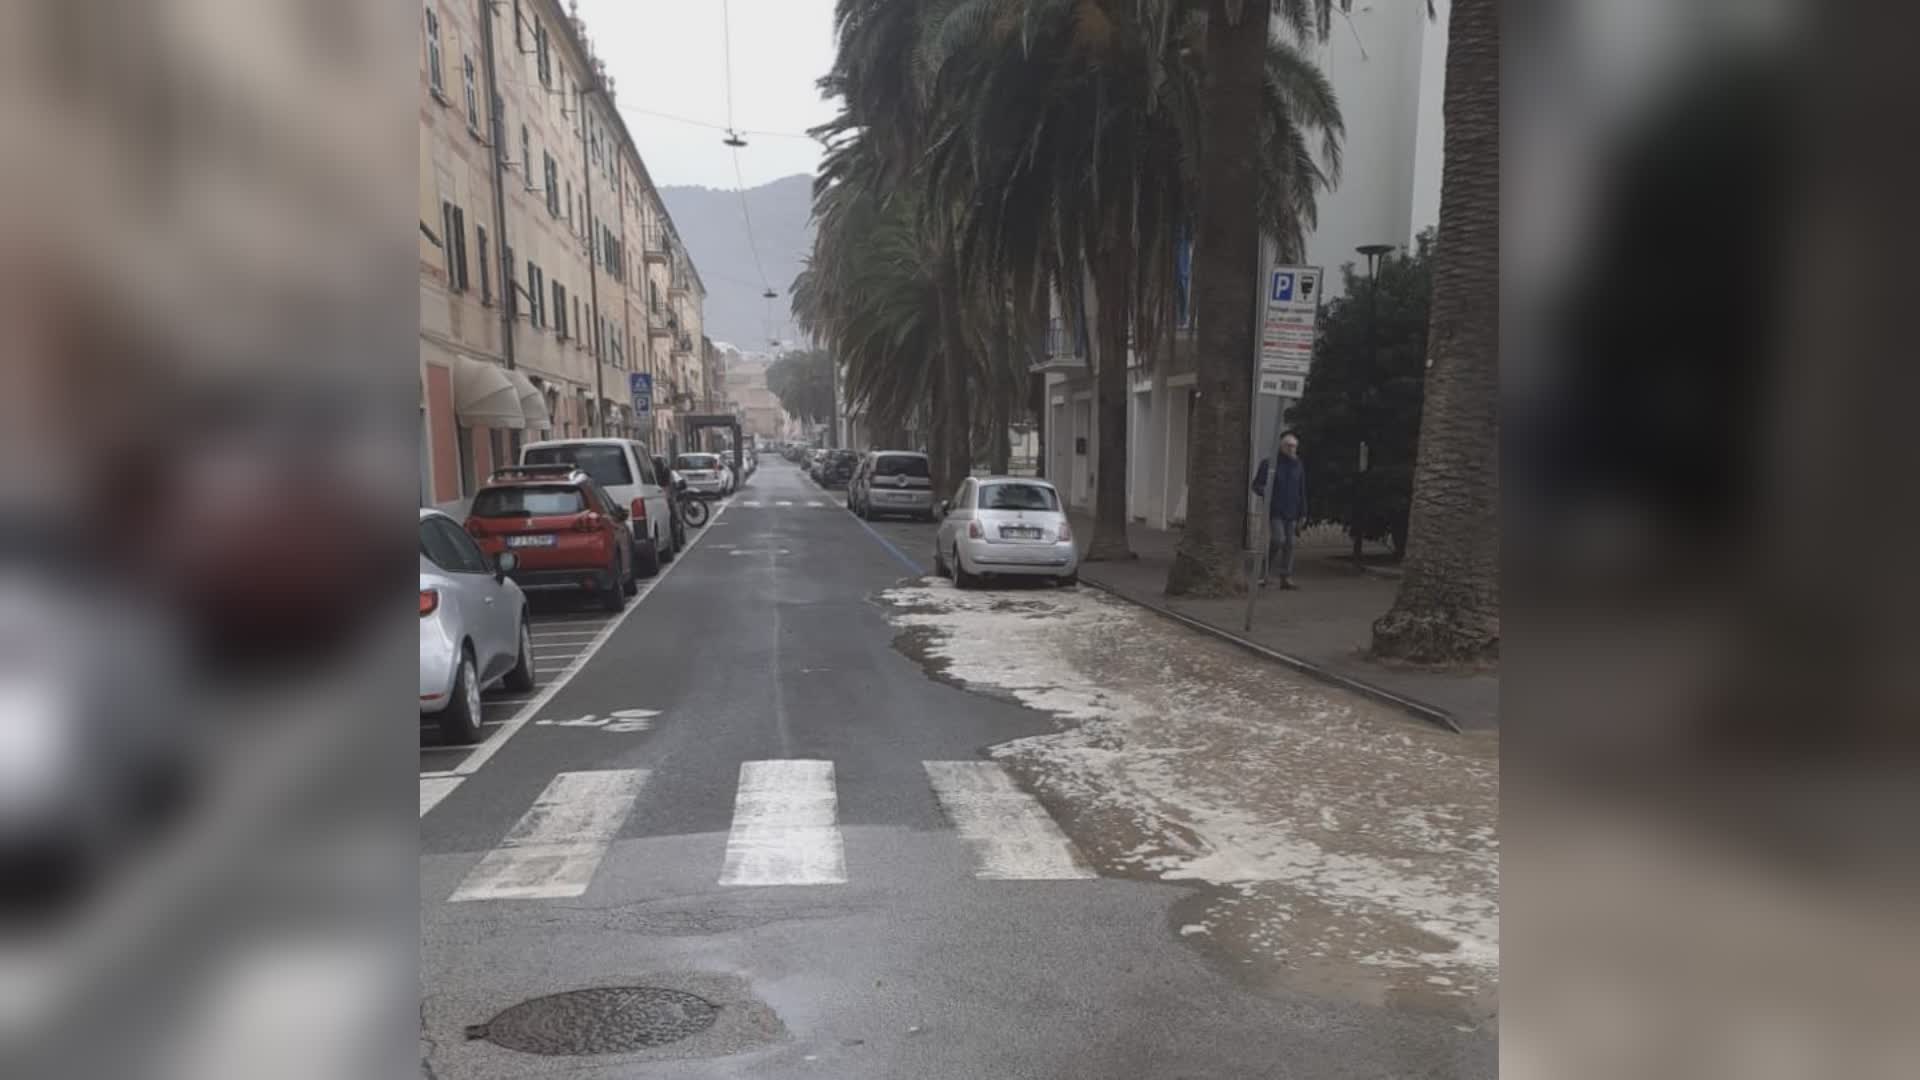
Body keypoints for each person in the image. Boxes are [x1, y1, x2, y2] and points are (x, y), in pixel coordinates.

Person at [1251, 431, 1307, 589]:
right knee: (1278, 539)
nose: (1292, 450)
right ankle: (1265, 571)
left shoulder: (1298, 465)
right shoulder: (1269, 464)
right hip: (1275, 510)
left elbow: (1302, 490)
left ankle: (1286, 577)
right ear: (1282, 447)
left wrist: (1303, 512)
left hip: (1292, 511)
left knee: (1290, 544)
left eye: (1294, 447)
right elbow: (1256, 485)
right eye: (1289, 446)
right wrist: (1265, 491)